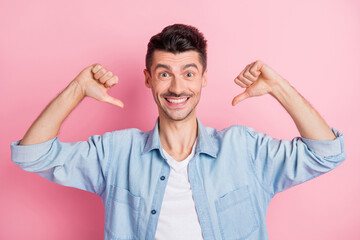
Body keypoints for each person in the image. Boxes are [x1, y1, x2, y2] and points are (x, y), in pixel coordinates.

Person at [11, 23, 346, 240]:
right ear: (148, 78)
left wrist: (278, 87)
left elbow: (326, 154)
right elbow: (33, 155)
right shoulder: (116, 153)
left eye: (188, 73)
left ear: (203, 78)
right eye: (164, 73)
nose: (176, 87)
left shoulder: (243, 150)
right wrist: (78, 88)